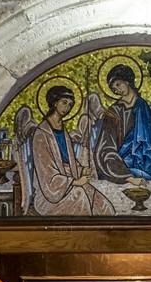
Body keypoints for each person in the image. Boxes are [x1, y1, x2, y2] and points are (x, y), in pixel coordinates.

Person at [31, 85, 115, 216]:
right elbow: (46, 173)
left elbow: (68, 160)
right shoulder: (41, 134)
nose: (67, 108)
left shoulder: (62, 129)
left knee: (101, 203)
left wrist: (82, 170)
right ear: (54, 102)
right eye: (64, 103)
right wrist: (75, 182)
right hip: (51, 194)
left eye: (70, 105)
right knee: (80, 197)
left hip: (69, 181)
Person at [95, 64, 151, 185]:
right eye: (113, 89)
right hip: (124, 159)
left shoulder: (142, 105)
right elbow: (106, 145)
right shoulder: (114, 112)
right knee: (137, 173)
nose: (117, 90)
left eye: (118, 84)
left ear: (127, 81)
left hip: (146, 158)